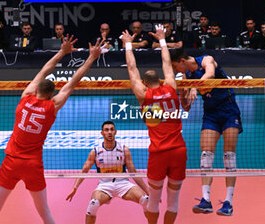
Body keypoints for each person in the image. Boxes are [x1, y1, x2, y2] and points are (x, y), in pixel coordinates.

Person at [0, 35, 103, 224]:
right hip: (33, 165)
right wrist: (91, 57)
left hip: (11, 162)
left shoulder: (25, 97)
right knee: (45, 212)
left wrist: (62, 52)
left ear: (37, 89)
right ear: (51, 94)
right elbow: (73, 81)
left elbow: (44, 70)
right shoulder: (52, 107)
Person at [120, 24, 187, 224]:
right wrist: (163, 40)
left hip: (158, 153)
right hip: (179, 150)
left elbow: (132, 69)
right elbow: (167, 63)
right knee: (173, 203)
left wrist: (128, 45)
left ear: (145, 83)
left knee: (153, 202)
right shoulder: (172, 87)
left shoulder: (144, 95)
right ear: (160, 79)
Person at [170, 48, 242, 216]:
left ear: (182, 61)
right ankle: (205, 200)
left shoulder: (206, 60)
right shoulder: (186, 75)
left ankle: (228, 202)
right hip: (210, 114)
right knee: (206, 155)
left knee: (229, 156)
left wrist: (194, 86)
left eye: (175, 67)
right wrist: (183, 90)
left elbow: (209, 74)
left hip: (229, 111)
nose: (176, 71)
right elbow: (186, 106)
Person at [66, 121, 149, 224]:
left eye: (111, 129)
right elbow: (84, 171)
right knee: (93, 204)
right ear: (102, 133)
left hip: (123, 184)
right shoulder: (95, 152)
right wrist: (75, 188)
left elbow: (133, 172)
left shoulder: (124, 150)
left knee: (146, 200)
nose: (109, 132)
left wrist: (147, 190)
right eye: (106, 130)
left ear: (115, 132)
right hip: (104, 186)